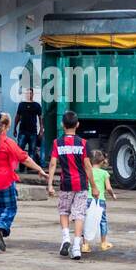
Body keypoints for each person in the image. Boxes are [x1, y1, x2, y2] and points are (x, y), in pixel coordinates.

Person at [0, 111, 47, 253]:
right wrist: (39, 169)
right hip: (4, 180)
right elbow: (24, 158)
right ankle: (1, 226)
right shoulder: (8, 143)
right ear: (5, 127)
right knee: (10, 208)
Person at [45, 109, 97, 261]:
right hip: (81, 184)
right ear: (78, 125)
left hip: (65, 184)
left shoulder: (57, 143)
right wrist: (94, 186)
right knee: (79, 215)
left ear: (62, 125)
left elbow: (53, 164)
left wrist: (49, 184)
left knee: (64, 211)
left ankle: (66, 237)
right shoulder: (83, 143)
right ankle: (76, 247)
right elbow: (87, 166)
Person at [87, 147, 116, 252]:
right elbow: (108, 188)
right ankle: (103, 243)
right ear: (102, 161)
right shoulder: (104, 173)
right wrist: (113, 195)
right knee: (102, 221)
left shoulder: (87, 172)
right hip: (100, 200)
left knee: (87, 220)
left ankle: (85, 244)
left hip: (88, 199)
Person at [14, 87, 44, 164]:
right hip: (22, 131)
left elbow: (40, 118)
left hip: (33, 131)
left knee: (32, 150)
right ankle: (21, 166)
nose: (29, 95)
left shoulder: (36, 105)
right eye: (27, 93)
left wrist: (41, 130)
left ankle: (30, 167)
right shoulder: (21, 105)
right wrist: (14, 128)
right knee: (20, 149)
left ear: (32, 94)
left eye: (30, 93)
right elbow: (17, 117)